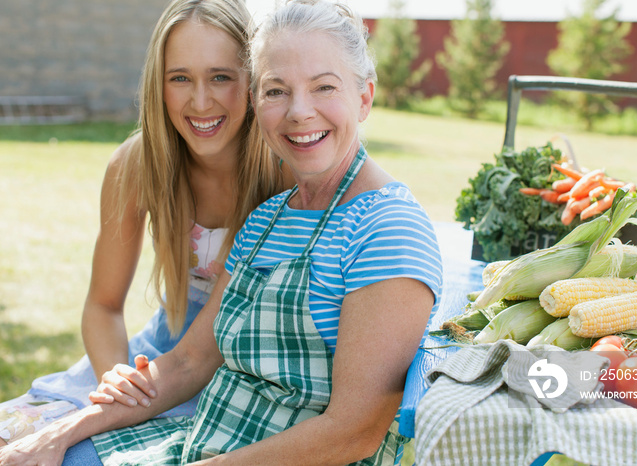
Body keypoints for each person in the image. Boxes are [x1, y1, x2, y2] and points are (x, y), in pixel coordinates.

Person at [0, 0, 442, 464]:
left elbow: (352, 432)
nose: (299, 112)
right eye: (276, 91)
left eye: (323, 87)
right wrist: (61, 431)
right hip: (203, 415)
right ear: (259, 100)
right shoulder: (272, 215)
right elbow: (189, 360)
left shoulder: (381, 223)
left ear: (365, 97)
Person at [0, 0, 287, 447]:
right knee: (11, 436)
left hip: (246, 364)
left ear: (252, 78)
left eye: (220, 77)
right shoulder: (136, 165)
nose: (200, 100)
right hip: (163, 350)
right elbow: (103, 305)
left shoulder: (284, 172)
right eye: (180, 78)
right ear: (159, 83)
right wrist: (114, 377)